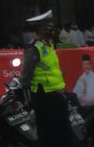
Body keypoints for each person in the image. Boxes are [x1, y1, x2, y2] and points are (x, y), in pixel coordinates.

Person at [20, 11, 71, 147]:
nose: (51, 28)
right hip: (44, 98)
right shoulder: (34, 48)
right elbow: (26, 76)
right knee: (49, 135)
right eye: (47, 26)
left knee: (64, 133)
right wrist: (29, 100)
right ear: (40, 29)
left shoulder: (48, 46)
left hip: (57, 96)